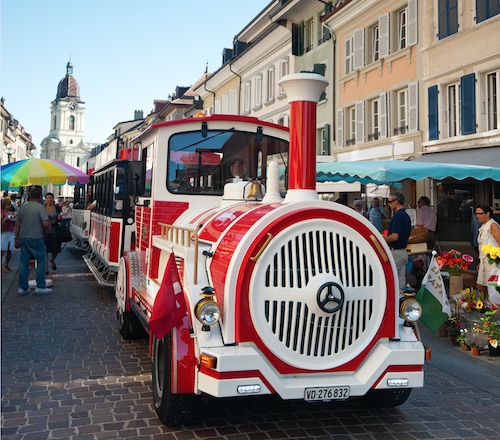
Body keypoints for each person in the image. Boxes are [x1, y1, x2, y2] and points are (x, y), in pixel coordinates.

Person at [14, 187, 52, 295]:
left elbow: (17, 225)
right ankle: (40, 285)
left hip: (23, 237)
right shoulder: (40, 207)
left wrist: (16, 238)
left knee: (23, 262)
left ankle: (22, 287)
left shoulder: (23, 207)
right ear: (40, 197)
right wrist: (49, 228)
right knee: (41, 260)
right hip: (35, 237)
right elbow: (45, 223)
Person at [384, 192, 412, 292]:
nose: (389, 204)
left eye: (390, 201)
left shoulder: (398, 216)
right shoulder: (406, 215)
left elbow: (395, 236)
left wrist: (382, 240)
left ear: (397, 201)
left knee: (388, 279)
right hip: (403, 252)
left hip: (395, 252)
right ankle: (400, 303)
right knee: (400, 284)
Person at [475, 203, 500, 296]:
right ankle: (486, 305)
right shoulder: (482, 227)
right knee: (480, 285)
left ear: (488, 214)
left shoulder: (493, 225)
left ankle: (493, 307)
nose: (477, 216)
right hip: (484, 260)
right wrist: (480, 262)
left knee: (492, 287)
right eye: (476, 214)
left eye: (480, 213)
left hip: (493, 262)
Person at [43, 192, 62, 274]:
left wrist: (59, 218)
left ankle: (52, 260)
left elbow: (60, 218)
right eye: (47, 198)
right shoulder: (43, 208)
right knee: (45, 249)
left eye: (50, 198)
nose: (49, 200)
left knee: (56, 248)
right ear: (45, 199)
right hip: (45, 230)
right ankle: (46, 267)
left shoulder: (57, 208)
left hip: (55, 230)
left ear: (53, 199)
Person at [1, 199, 16, 272]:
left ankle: (7, 264)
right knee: (2, 249)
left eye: (10, 204)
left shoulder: (12, 213)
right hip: (4, 232)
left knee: (10, 249)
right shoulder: (2, 212)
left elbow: (15, 223)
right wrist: (7, 218)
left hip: (11, 232)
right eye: (8, 204)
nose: (9, 206)